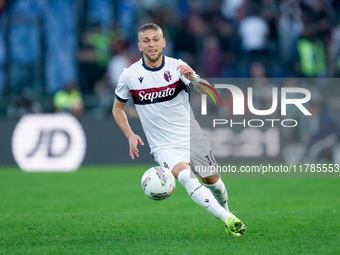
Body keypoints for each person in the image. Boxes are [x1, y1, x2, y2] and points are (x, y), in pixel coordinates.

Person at [112, 23, 246, 236]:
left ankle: (227, 212)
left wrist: (194, 79)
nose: (152, 44)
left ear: (164, 42)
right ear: (139, 46)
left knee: (214, 182)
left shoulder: (178, 67)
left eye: (156, 39)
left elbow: (211, 95)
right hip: (163, 145)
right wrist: (130, 134)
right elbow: (117, 109)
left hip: (191, 136)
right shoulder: (130, 76)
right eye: (146, 41)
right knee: (186, 177)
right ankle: (228, 219)